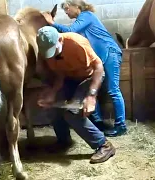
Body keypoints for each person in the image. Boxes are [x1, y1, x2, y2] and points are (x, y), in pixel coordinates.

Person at [42, 0, 127, 137]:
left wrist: (52, 23)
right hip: (100, 56)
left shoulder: (87, 15)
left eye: (68, 9)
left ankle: (121, 125)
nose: (67, 12)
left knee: (113, 89)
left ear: (77, 6)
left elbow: (70, 31)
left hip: (109, 52)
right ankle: (98, 123)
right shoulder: (81, 22)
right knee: (93, 88)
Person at [36, 26, 115, 164]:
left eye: (53, 50)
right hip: (69, 78)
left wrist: (91, 96)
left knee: (72, 112)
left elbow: (98, 67)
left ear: (60, 39)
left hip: (89, 77)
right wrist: (53, 93)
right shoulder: (46, 50)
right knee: (53, 107)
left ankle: (104, 145)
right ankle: (64, 141)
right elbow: (60, 73)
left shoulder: (77, 42)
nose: (51, 55)